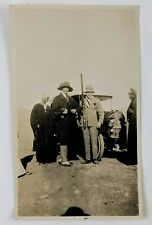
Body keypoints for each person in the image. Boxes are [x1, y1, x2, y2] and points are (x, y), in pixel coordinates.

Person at [51, 81, 78, 167]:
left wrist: (75, 110)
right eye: (64, 88)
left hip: (70, 123)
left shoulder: (71, 99)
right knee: (63, 140)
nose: (66, 89)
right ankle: (64, 160)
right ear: (62, 89)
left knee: (68, 140)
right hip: (61, 124)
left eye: (67, 88)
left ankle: (62, 158)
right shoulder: (57, 99)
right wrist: (62, 111)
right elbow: (54, 111)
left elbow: (78, 107)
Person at [82, 85, 104, 164]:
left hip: (94, 123)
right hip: (85, 124)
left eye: (90, 92)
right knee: (86, 141)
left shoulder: (96, 101)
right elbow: (81, 112)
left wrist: (100, 122)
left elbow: (101, 112)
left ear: (92, 93)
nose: (89, 94)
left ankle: (94, 158)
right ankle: (87, 158)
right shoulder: (83, 101)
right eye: (87, 92)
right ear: (86, 93)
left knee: (94, 141)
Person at [30, 93, 52, 164]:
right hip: (39, 129)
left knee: (47, 143)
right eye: (46, 97)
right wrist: (36, 127)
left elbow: (51, 119)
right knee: (39, 144)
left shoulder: (49, 107)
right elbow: (32, 118)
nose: (47, 99)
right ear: (42, 98)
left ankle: (46, 159)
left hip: (47, 129)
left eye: (48, 98)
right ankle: (39, 159)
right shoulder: (37, 106)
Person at [127, 88, 137, 165]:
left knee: (133, 141)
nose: (128, 95)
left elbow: (131, 111)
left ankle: (132, 160)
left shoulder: (134, 101)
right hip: (133, 123)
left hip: (134, 124)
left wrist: (129, 112)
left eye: (130, 94)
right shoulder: (134, 101)